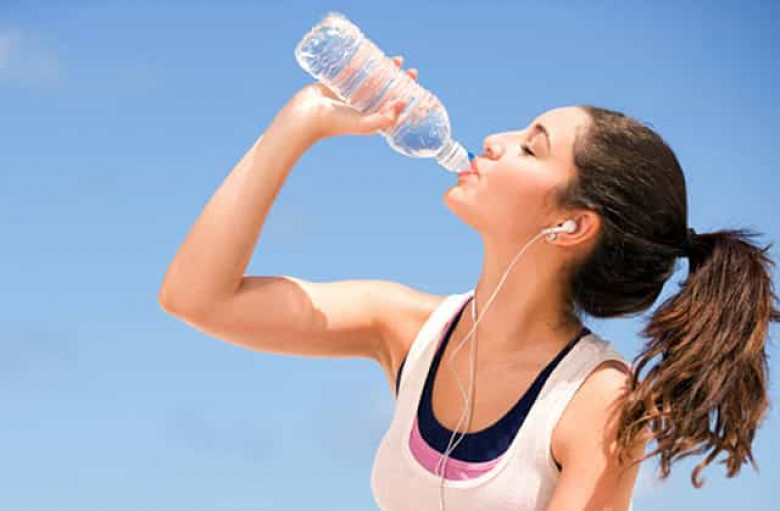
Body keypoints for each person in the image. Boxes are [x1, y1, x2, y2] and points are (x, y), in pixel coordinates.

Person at [158, 55, 779, 511]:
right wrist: (300, 122)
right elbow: (196, 297)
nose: (495, 141)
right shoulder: (404, 328)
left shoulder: (595, 402)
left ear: (571, 224)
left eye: (531, 149)